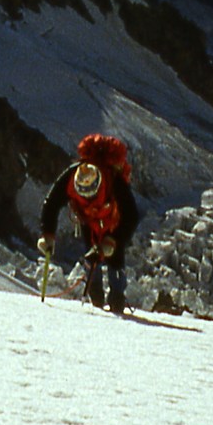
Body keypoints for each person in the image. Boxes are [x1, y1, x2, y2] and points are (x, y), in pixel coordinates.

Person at [40, 133, 140, 312]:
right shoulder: (71, 177)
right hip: (89, 219)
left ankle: (116, 296)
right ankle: (96, 293)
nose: (87, 198)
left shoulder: (113, 181)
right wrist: (48, 234)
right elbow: (52, 203)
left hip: (112, 221)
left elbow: (131, 215)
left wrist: (113, 239)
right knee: (91, 252)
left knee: (114, 257)